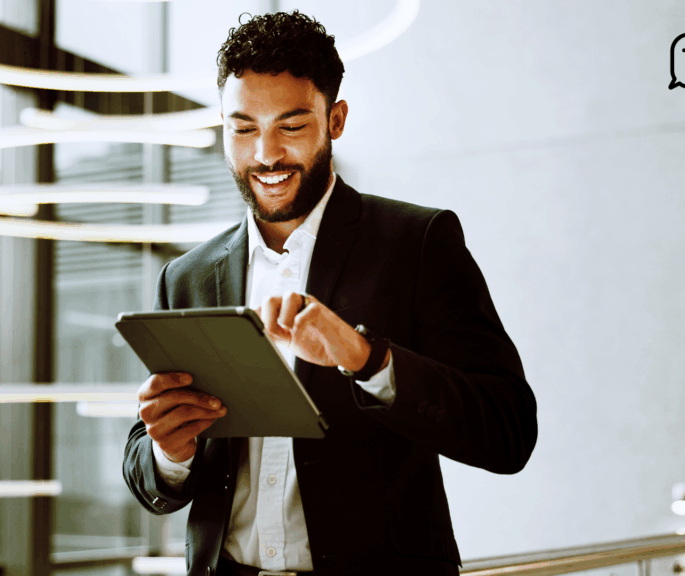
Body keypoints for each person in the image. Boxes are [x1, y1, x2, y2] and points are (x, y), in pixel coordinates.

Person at [123, 11, 537, 576]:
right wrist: (169, 454)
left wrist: (368, 359)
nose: (265, 154)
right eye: (243, 129)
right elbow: (151, 473)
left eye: (291, 126)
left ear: (335, 120)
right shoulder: (185, 276)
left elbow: (508, 432)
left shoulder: (417, 243)